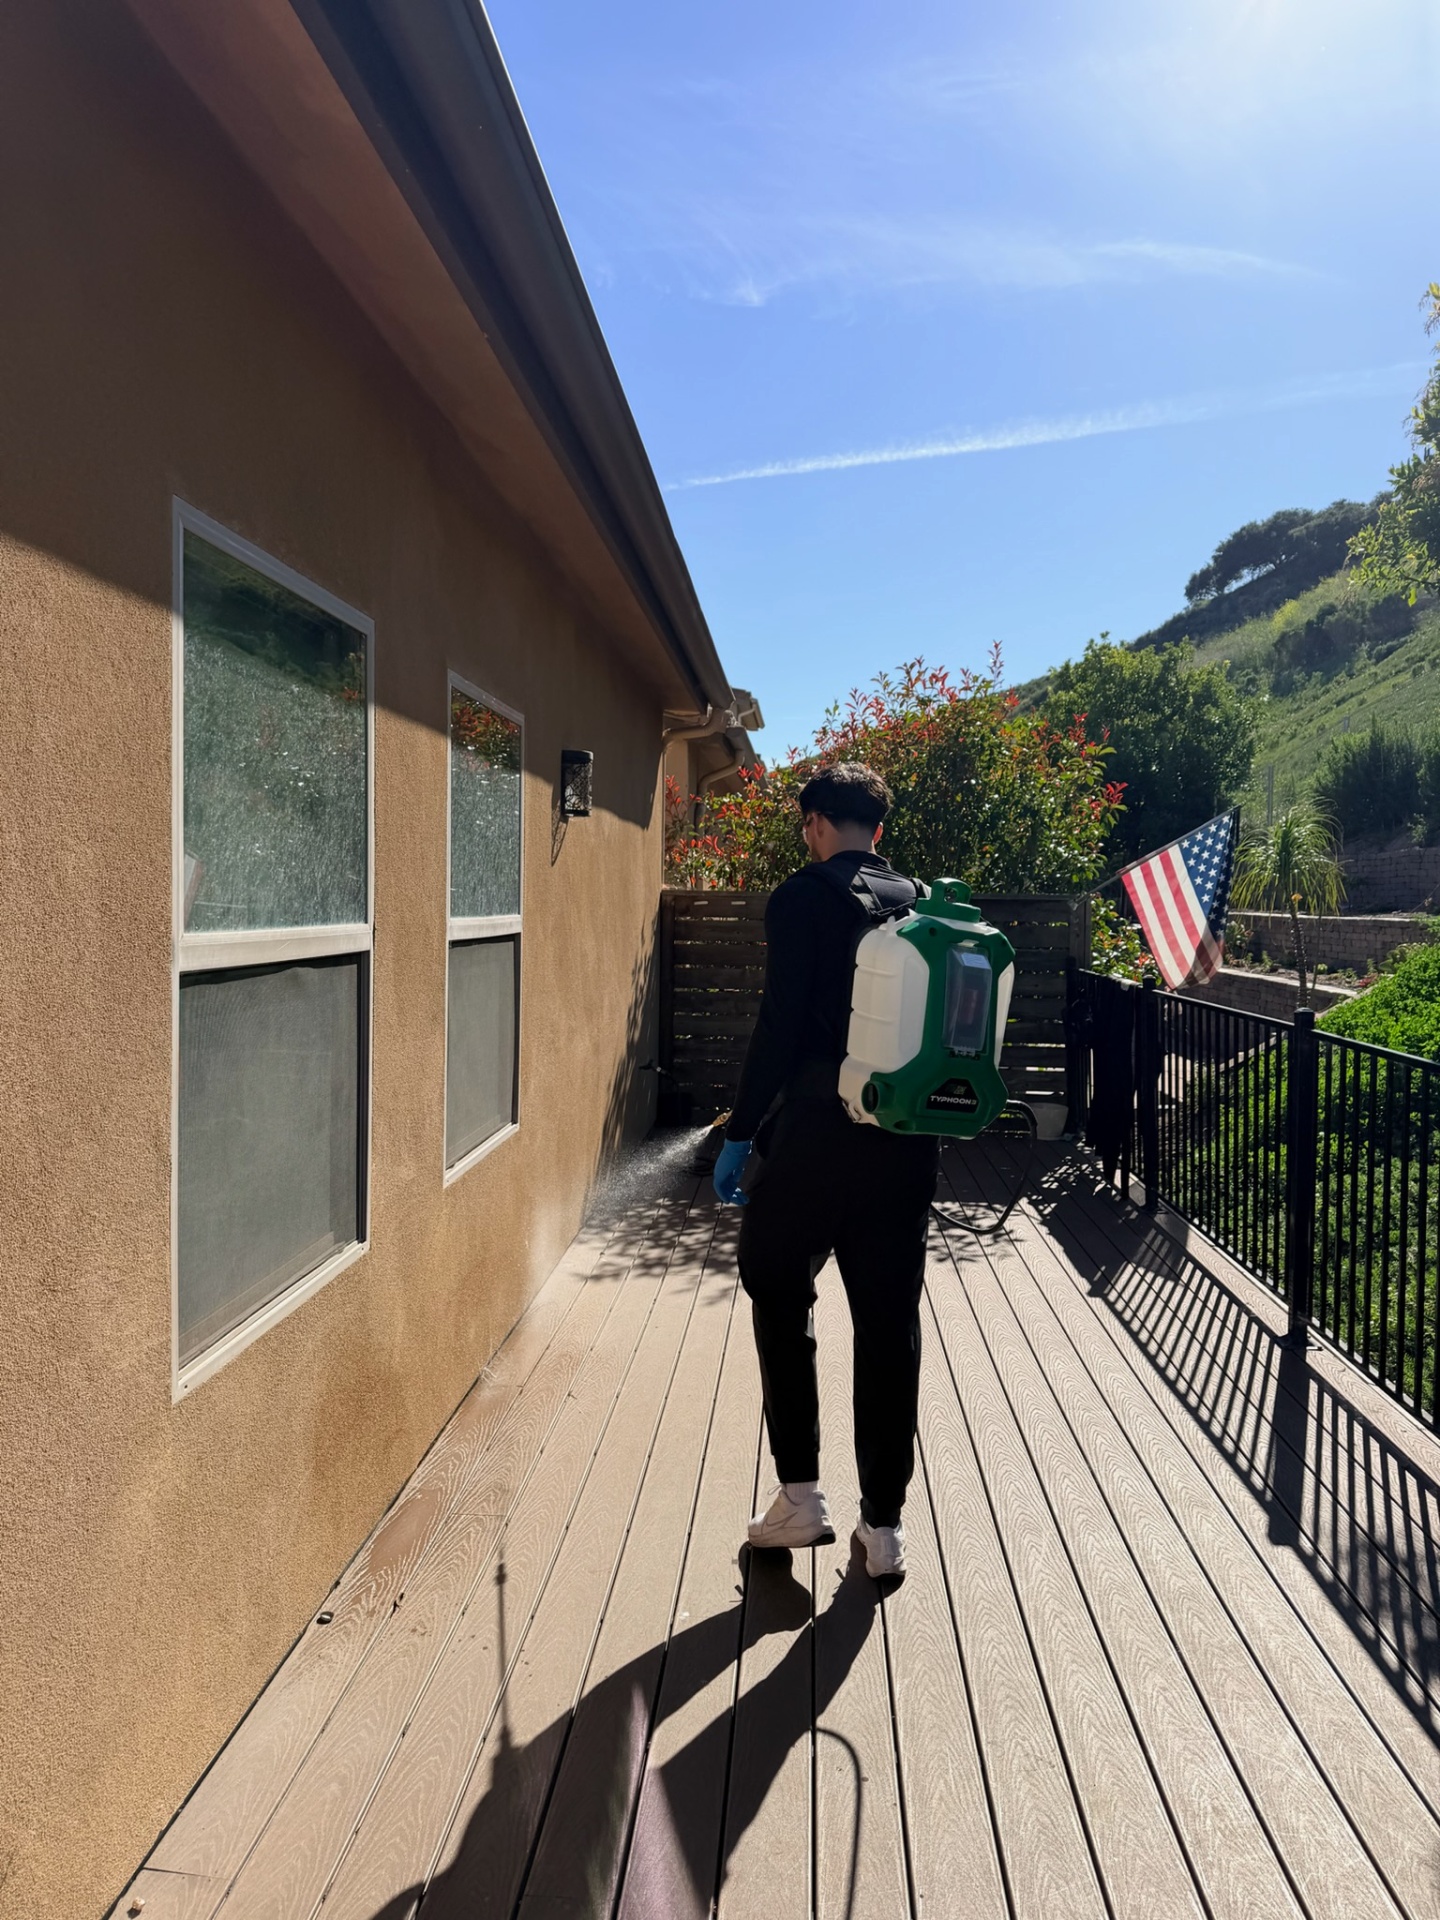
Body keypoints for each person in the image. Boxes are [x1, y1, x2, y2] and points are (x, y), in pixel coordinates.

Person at [712, 762, 939, 1581]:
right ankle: (885, 1529)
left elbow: (778, 1026)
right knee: (889, 1328)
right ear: (877, 830)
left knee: (778, 1289)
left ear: (814, 823)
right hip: (905, 1144)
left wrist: (741, 1134)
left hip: (809, 1138)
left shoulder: (801, 898)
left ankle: (802, 1497)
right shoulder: (923, 906)